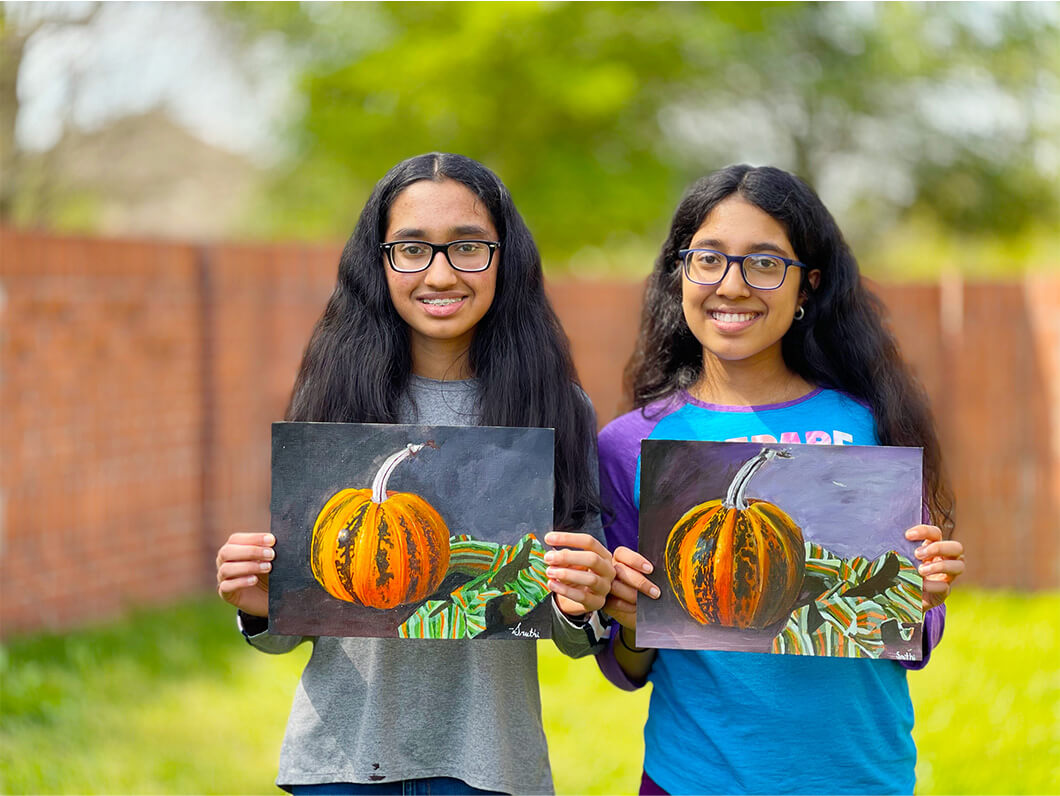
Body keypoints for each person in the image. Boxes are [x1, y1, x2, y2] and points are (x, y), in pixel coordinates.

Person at [215, 153, 615, 795]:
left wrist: (584, 598)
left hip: (490, 769)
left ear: (504, 257)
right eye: (411, 248)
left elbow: (577, 639)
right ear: (379, 261)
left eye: (468, 248)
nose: (439, 272)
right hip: (339, 767)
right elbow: (292, 628)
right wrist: (260, 608)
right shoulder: (335, 402)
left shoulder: (556, 407)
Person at [596, 164, 965, 795]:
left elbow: (913, 642)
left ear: (807, 287)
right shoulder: (629, 443)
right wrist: (626, 616)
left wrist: (924, 595)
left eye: (765, 263)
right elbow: (627, 666)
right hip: (692, 781)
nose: (732, 285)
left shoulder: (870, 423)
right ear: (680, 273)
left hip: (859, 780)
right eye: (708, 259)